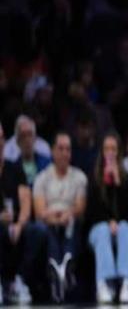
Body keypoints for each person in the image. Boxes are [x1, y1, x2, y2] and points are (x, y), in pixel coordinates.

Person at [33, 132, 87, 302]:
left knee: (72, 223)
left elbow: (80, 208)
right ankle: (58, 268)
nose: (65, 153)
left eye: (68, 149)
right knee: (47, 229)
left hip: (71, 222)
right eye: (61, 148)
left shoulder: (79, 177)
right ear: (53, 151)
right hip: (49, 223)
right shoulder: (42, 178)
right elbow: (39, 211)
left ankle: (64, 264)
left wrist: (68, 214)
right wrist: (56, 218)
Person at [85, 132, 128, 304]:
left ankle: (126, 283)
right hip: (97, 230)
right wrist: (108, 221)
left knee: (125, 228)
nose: (110, 153)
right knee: (103, 230)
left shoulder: (126, 179)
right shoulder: (93, 177)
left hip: (119, 228)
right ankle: (104, 283)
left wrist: (118, 184)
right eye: (107, 149)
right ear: (102, 151)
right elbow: (91, 212)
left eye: (114, 149)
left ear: (119, 152)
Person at [0, 121, 45, 304]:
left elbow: (26, 202)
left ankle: (18, 281)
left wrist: (19, 224)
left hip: (15, 225)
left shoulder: (14, 168)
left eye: (1, 138)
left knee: (38, 231)